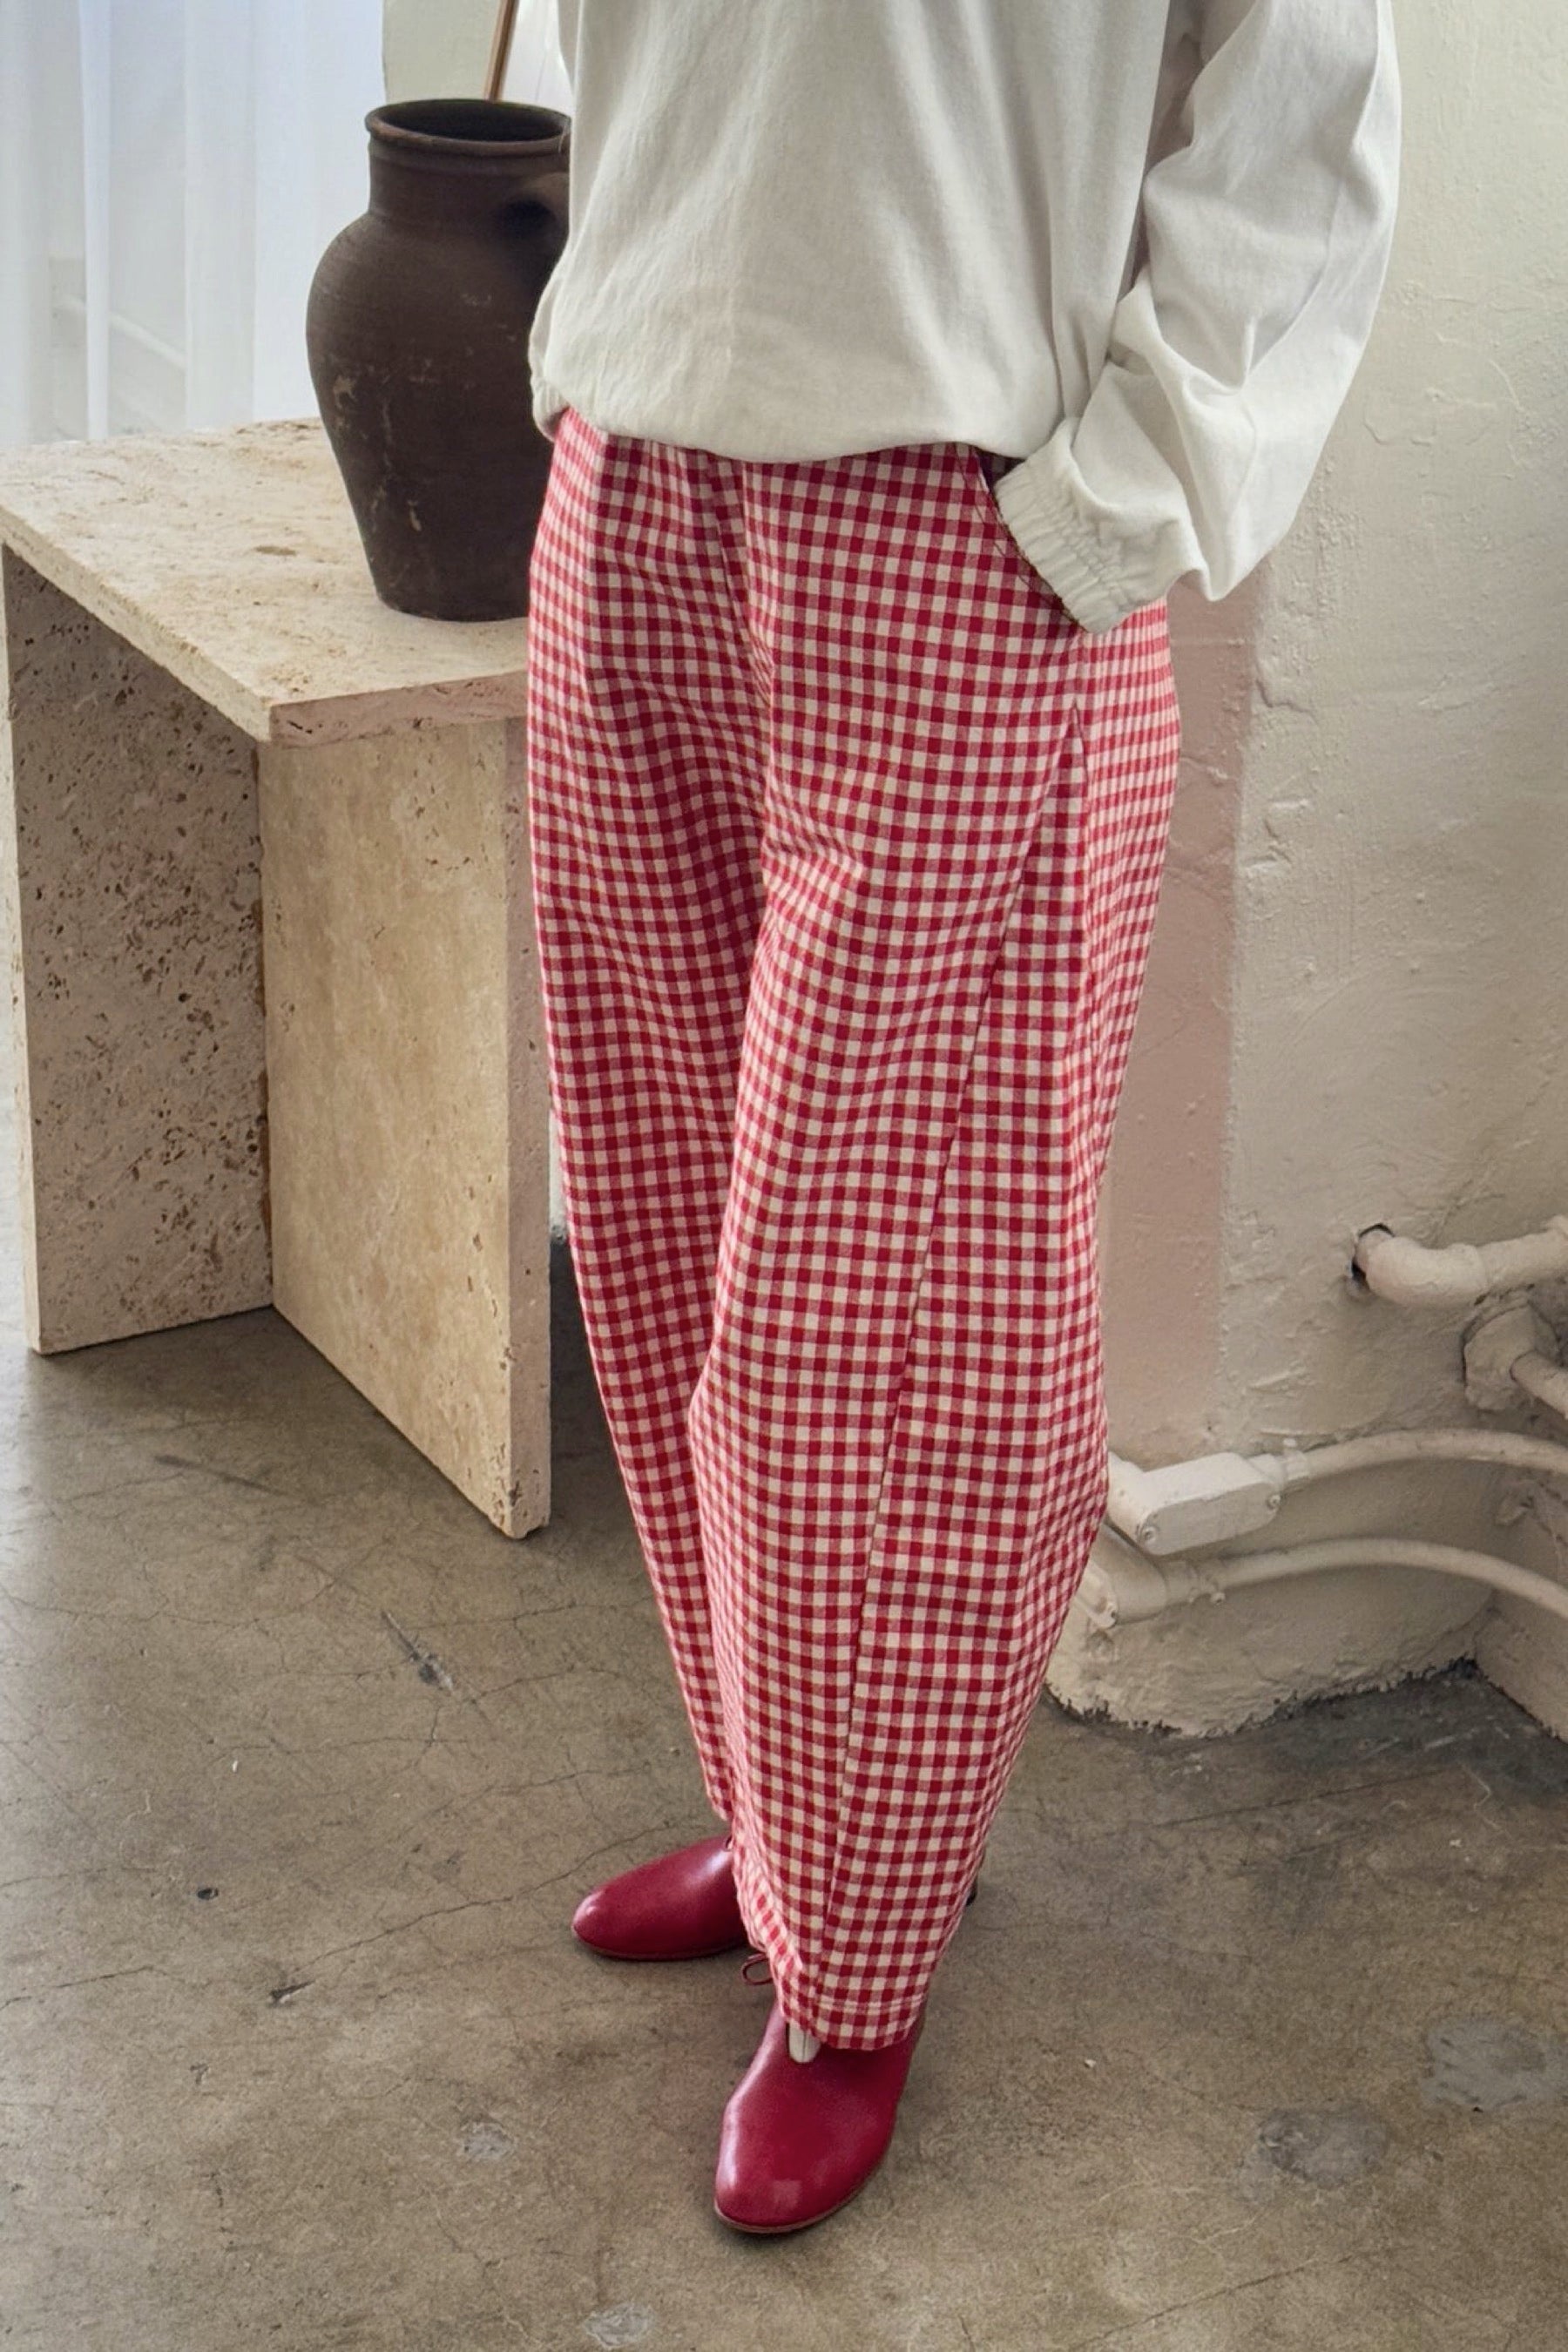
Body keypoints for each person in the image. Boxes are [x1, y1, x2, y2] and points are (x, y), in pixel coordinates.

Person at [522, 0, 1401, 2236]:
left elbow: (1301, 93)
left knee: (891, 1310)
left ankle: (857, 1967)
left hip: (957, 521)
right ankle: (791, 1830)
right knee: (666, 1213)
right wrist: (588, 348)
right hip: (635, 468)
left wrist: (1112, 505)